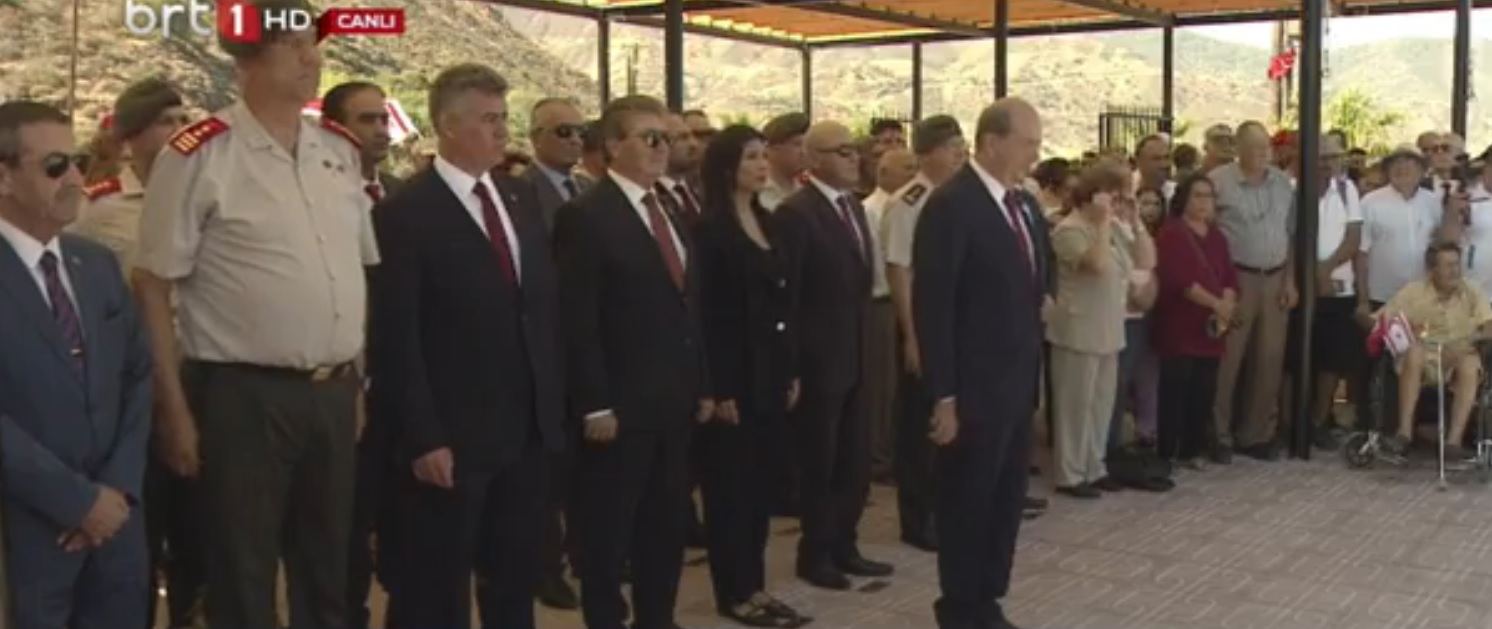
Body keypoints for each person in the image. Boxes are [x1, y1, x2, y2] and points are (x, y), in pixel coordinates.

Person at [132, 1, 379, 626]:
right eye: (293, 46)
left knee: (328, 568)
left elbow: (351, 274)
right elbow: (153, 286)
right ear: (248, 58)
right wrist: (173, 410)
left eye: (313, 45)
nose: (311, 58)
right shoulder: (199, 153)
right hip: (242, 396)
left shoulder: (338, 150)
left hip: (331, 391)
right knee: (243, 572)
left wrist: (353, 377)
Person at [370, 63, 565, 629]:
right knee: (434, 588)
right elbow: (398, 335)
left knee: (514, 580)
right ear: (448, 126)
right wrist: (423, 435)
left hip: (526, 433)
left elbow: (539, 310)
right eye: (487, 119)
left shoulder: (519, 196)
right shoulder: (406, 212)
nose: (502, 130)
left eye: (503, 117)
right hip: (453, 437)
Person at [553, 94, 713, 629]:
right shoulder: (586, 216)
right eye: (650, 138)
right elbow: (578, 319)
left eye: (666, 138)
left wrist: (702, 383)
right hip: (619, 408)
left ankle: (657, 618)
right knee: (606, 533)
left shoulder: (666, 207)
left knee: (663, 529)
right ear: (612, 145)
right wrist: (594, 404)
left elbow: (687, 306)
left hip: (672, 402)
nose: (662, 148)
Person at [0, 100, 153, 629]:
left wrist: (117, 491)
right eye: (54, 166)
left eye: (78, 161)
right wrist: (75, 502)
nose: (74, 178)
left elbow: (137, 375)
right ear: (4, 177)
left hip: (117, 531)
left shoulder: (96, 265)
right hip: (27, 532)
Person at [913, 98, 1054, 629]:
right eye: (1028, 143)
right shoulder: (952, 205)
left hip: (1016, 384)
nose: (1035, 155)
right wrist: (943, 396)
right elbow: (935, 308)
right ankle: (960, 606)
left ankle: (988, 596)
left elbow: (1039, 271)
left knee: (1005, 500)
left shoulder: (1024, 205)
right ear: (992, 142)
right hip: (972, 391)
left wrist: (1044, 297)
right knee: (968, 501)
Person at [68, 78, 199, 629]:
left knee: (203, 538)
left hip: (205, 379)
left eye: (184, 120)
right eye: (165, 122)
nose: (179, 131)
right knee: (141, 536)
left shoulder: (204, 195)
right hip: (137, 393)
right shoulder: (100, 211)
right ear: (132, 137)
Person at [693, 124, 808, 627]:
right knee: (730, 494)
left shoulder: (769, 221)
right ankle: (734, 592)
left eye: (764, 156)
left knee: (760, 490)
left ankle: (755, 585)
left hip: (770, 376)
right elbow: (706, 316)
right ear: (725, 169)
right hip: (732, 381)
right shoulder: (709, 231)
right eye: (750, 158)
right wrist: (716, 387)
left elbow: (785, 304)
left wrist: (791, 369)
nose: (762, 166)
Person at [773, 120, 894, 591]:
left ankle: (846, 544)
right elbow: (789, 296)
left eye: (853, 150)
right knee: (820, 463)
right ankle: (816, 553)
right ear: (813, 158)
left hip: (855, 354)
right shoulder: (796, 213)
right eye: (841, 151)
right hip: (819, 360)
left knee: (853, 461)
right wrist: (793, 365)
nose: (853, 158)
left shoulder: (853, 207)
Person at [883, 114, 967, 551]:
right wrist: (912, 336)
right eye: (952, 150)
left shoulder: (953, 198)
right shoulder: (910, 201)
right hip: (921, 326)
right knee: (919, 427)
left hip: (952, 326)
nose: (960, 157)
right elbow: (900, 271)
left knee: (948, 422)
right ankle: (917, 519)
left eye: (962, 148)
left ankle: (944, 506)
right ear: (927, 154)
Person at [1046, 164, 1148, 498]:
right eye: (1112, 197)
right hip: (1078, 329)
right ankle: (1070, 473)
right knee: (1076, 405)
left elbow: (1146, 261)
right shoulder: (1069, 230)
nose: (1117, 205)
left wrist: (1136, 222)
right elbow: (1097, 265)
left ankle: (1094, 465)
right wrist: (1104, 222)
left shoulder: (1114, 226)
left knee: (1101, 402)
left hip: (1109, 327)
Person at [1376, 241, 1492, 460]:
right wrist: (1401, 331)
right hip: (1424, 355)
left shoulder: (1472, 291)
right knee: (1414, 353)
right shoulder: (1414, 292)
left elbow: (1489, 325)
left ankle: (1453, 442)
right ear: (1432, 270)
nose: (1454, 271)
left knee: (1470, 362)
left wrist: (1470, 341)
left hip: (1458, 354)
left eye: (1456, 264)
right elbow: (1380, 321)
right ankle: (1404, 434)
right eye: (1448, 266)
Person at [1153, 174, 1238, 469]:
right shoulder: (1172, 233)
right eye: (1198, 195)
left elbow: (1229, 276)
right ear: (1184, 199)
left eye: (1209, 196)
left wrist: (1226, 303)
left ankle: (1192, 448)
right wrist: (1216, 304)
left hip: (1211, 328)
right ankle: (1169, 450)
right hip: (1181, 324)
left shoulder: (1217, 236)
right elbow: (1179, 280)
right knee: (1176, 388)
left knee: (1204, 390)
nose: (1204, 202)